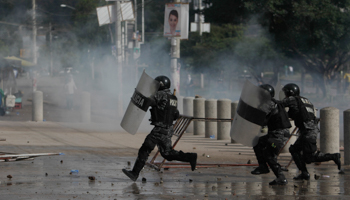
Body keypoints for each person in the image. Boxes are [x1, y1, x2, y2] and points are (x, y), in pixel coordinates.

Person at [122, 75, 197, 181]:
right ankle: (190, 157)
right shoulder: (173, 98)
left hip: (160, 129)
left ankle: (134, 174)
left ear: (161, 85)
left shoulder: (160, 94)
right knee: (167, 153)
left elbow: (147, 102)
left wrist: (139, 96)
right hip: (168, 129)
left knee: (145, 148)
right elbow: (176, 114)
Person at [274, 83, 341, 180]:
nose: (285, 95)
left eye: (285, 93)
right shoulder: (305, 100)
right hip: (308, 130)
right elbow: (296, 113)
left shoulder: (293, 99)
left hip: (308, 131)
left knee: (310, 158)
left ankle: (334, 156)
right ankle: (304, 173)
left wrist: (269, 99)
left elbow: (279, 104)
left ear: (290, 92)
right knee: (294, 150)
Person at [251, 84, 291, 185]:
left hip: (278, 136)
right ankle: (263, 167)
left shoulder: (268, 103)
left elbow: (259, 119)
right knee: (258, 142)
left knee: (268, 154)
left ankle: (281, 177)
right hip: (277, 134)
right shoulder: (275, 102)